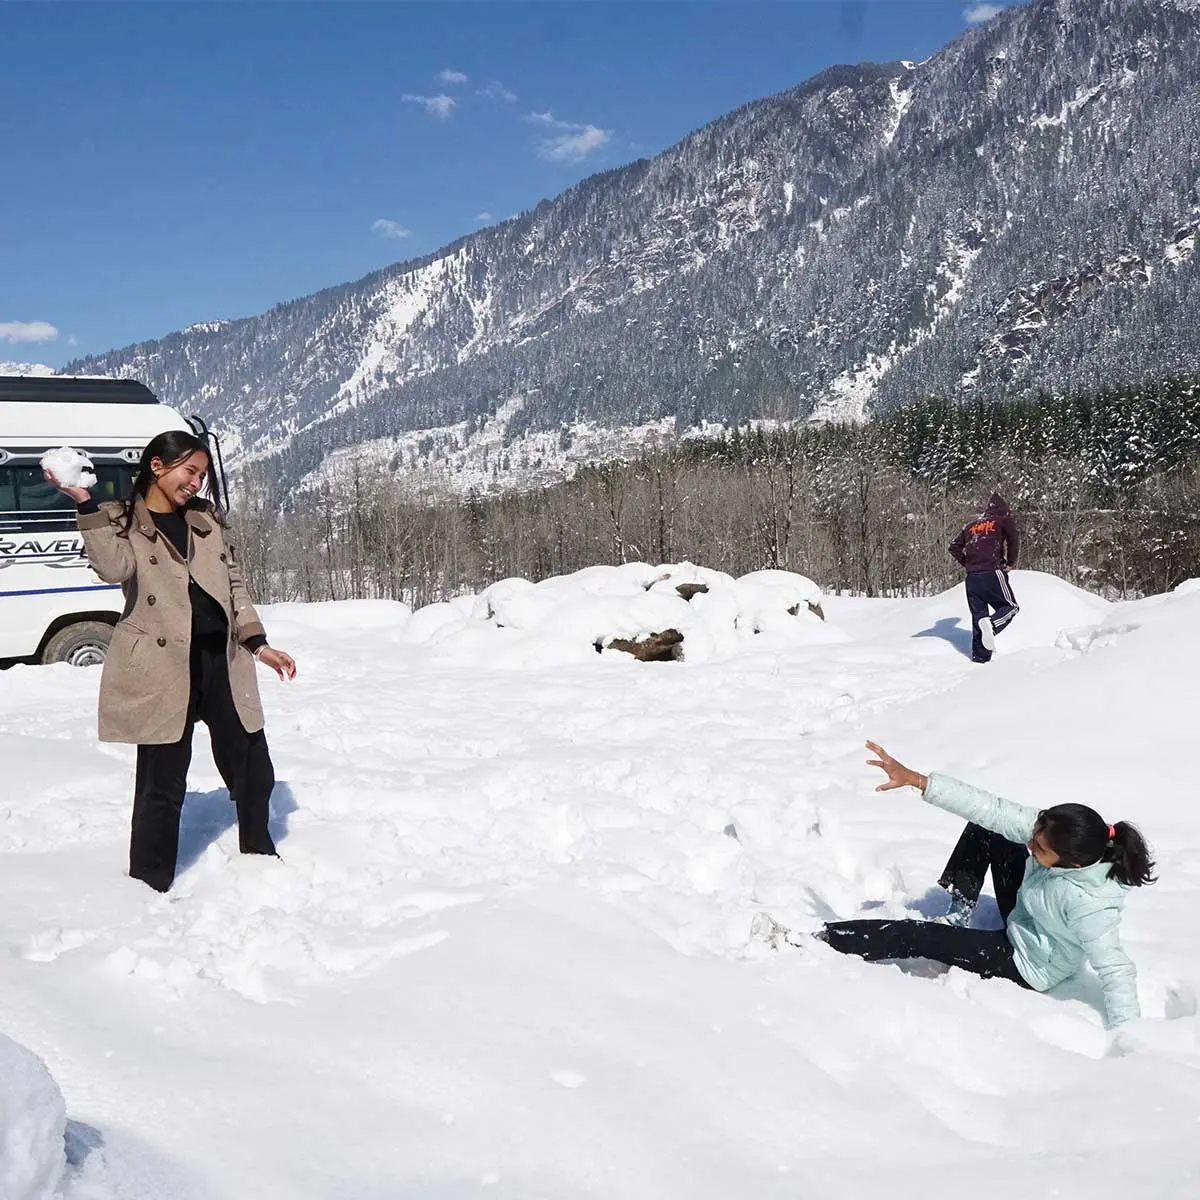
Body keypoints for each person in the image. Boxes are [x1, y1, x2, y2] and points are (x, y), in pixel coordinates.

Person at [45, 430, 296, 893]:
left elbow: (233, 585)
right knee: (161, 783)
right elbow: (114, 570)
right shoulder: (120, 519)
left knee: (252, 765)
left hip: (219, 661)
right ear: (157, 467)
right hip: (162, 667)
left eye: (201, 474)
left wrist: (258, 644)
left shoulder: (205, 521)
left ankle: (259, 855)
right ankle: (148, 882)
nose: (196, 482)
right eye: (189, 471)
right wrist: (83, 502)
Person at [815, 741, 1156, 1028]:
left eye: (1039, 848)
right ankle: (960, 911)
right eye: (1035, 834)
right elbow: (990, 809)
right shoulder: (1053, 833)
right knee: (988, 828)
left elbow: (1116, 969)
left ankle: (820, 941)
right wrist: (917, 780)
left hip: (1028, 960)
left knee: (915, 935)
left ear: (1073, 863)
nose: (1030, 844)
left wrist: (1131, 1038)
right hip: (1029, 910)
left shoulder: (1090, 906)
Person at [948, 492, 1019, 663]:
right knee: (1010, 606)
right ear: (1004, 509)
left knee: (979, 617)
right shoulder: (1002, 519)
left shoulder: (970, 525)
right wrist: (1010, 563)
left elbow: (953, 547)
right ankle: (994, 625)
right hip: (992, 571)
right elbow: (1013, 540)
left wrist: (968, 563)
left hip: (972, 578)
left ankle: (980, 658)